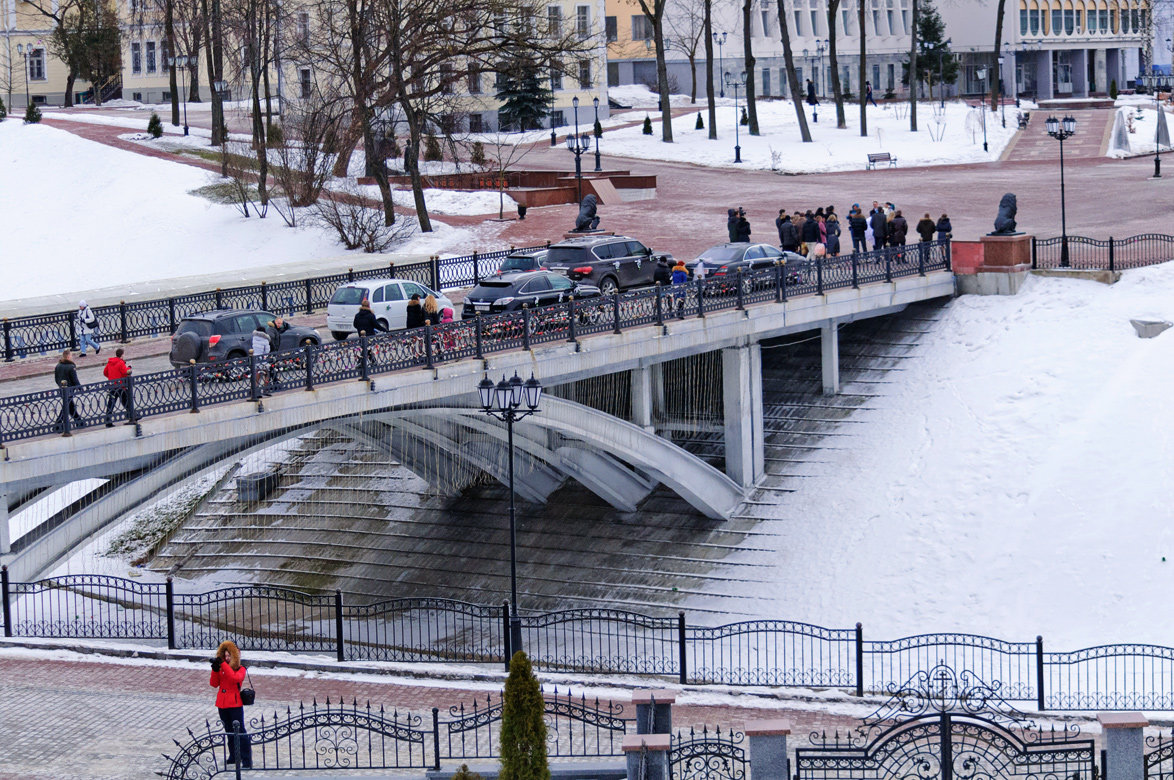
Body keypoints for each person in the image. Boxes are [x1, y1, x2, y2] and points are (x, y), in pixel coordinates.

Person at [210, 640, 253, 769]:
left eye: (229, 656)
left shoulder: (241, 668)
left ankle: (247, 760)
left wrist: (223, 664)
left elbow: (234, 678)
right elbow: (214, 683)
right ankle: (234, 756)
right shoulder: (223, 668)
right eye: (225, 656)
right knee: (229, 732)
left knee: (240, 732)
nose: (227, 658)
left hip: (234, 704)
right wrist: (215, 670)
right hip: (222, 704)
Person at [102, 347, 132, 428]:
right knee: (126, 401)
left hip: (112, 385)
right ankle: (132, 416)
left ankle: (108, 421)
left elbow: (105, 372)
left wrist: (111, 377)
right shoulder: (121, 363)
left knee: (111, 403)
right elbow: (125, 372)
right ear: (122, 355)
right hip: (120, 386)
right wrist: (129, 368)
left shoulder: (110, 362)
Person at [54, 350, 84, 430]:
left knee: (70, 406)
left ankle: (79, 422)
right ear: (68, 357)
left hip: (62, 389)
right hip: (69, 390)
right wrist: (80, 388)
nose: (72, 357)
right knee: (66, 407)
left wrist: (60, 386)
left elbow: (56, 379)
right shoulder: (71, 367)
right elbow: (75, 380)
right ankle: (58, 424)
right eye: (71, 356)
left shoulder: (58, 366)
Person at [252, 325, 272, 396]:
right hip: (262, 359)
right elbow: (267, 350)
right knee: (266, 373)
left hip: (255, 358)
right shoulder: (265, 340)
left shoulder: (254, 338)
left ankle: (255, 389)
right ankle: (265, 389)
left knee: (257, 373)